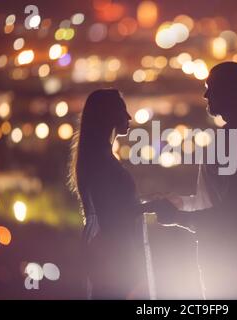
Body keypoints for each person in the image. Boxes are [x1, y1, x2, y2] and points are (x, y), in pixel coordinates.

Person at [156, 62, 237, 299]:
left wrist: (178, 217)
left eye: (211, 87)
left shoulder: (236, 137)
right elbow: (218, 202)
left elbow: (228, 211)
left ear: (230, 90)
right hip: (229, 246)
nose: (205, 94)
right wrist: (180, 203)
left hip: (225, 248)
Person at [69, 88, 150, 299]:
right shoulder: (103, 162)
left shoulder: (94, 158)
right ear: (110, 115)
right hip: (117, 261)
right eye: (123, 110)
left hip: (109, 259)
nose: (129, 116)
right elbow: (115, 216)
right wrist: (151, 206)